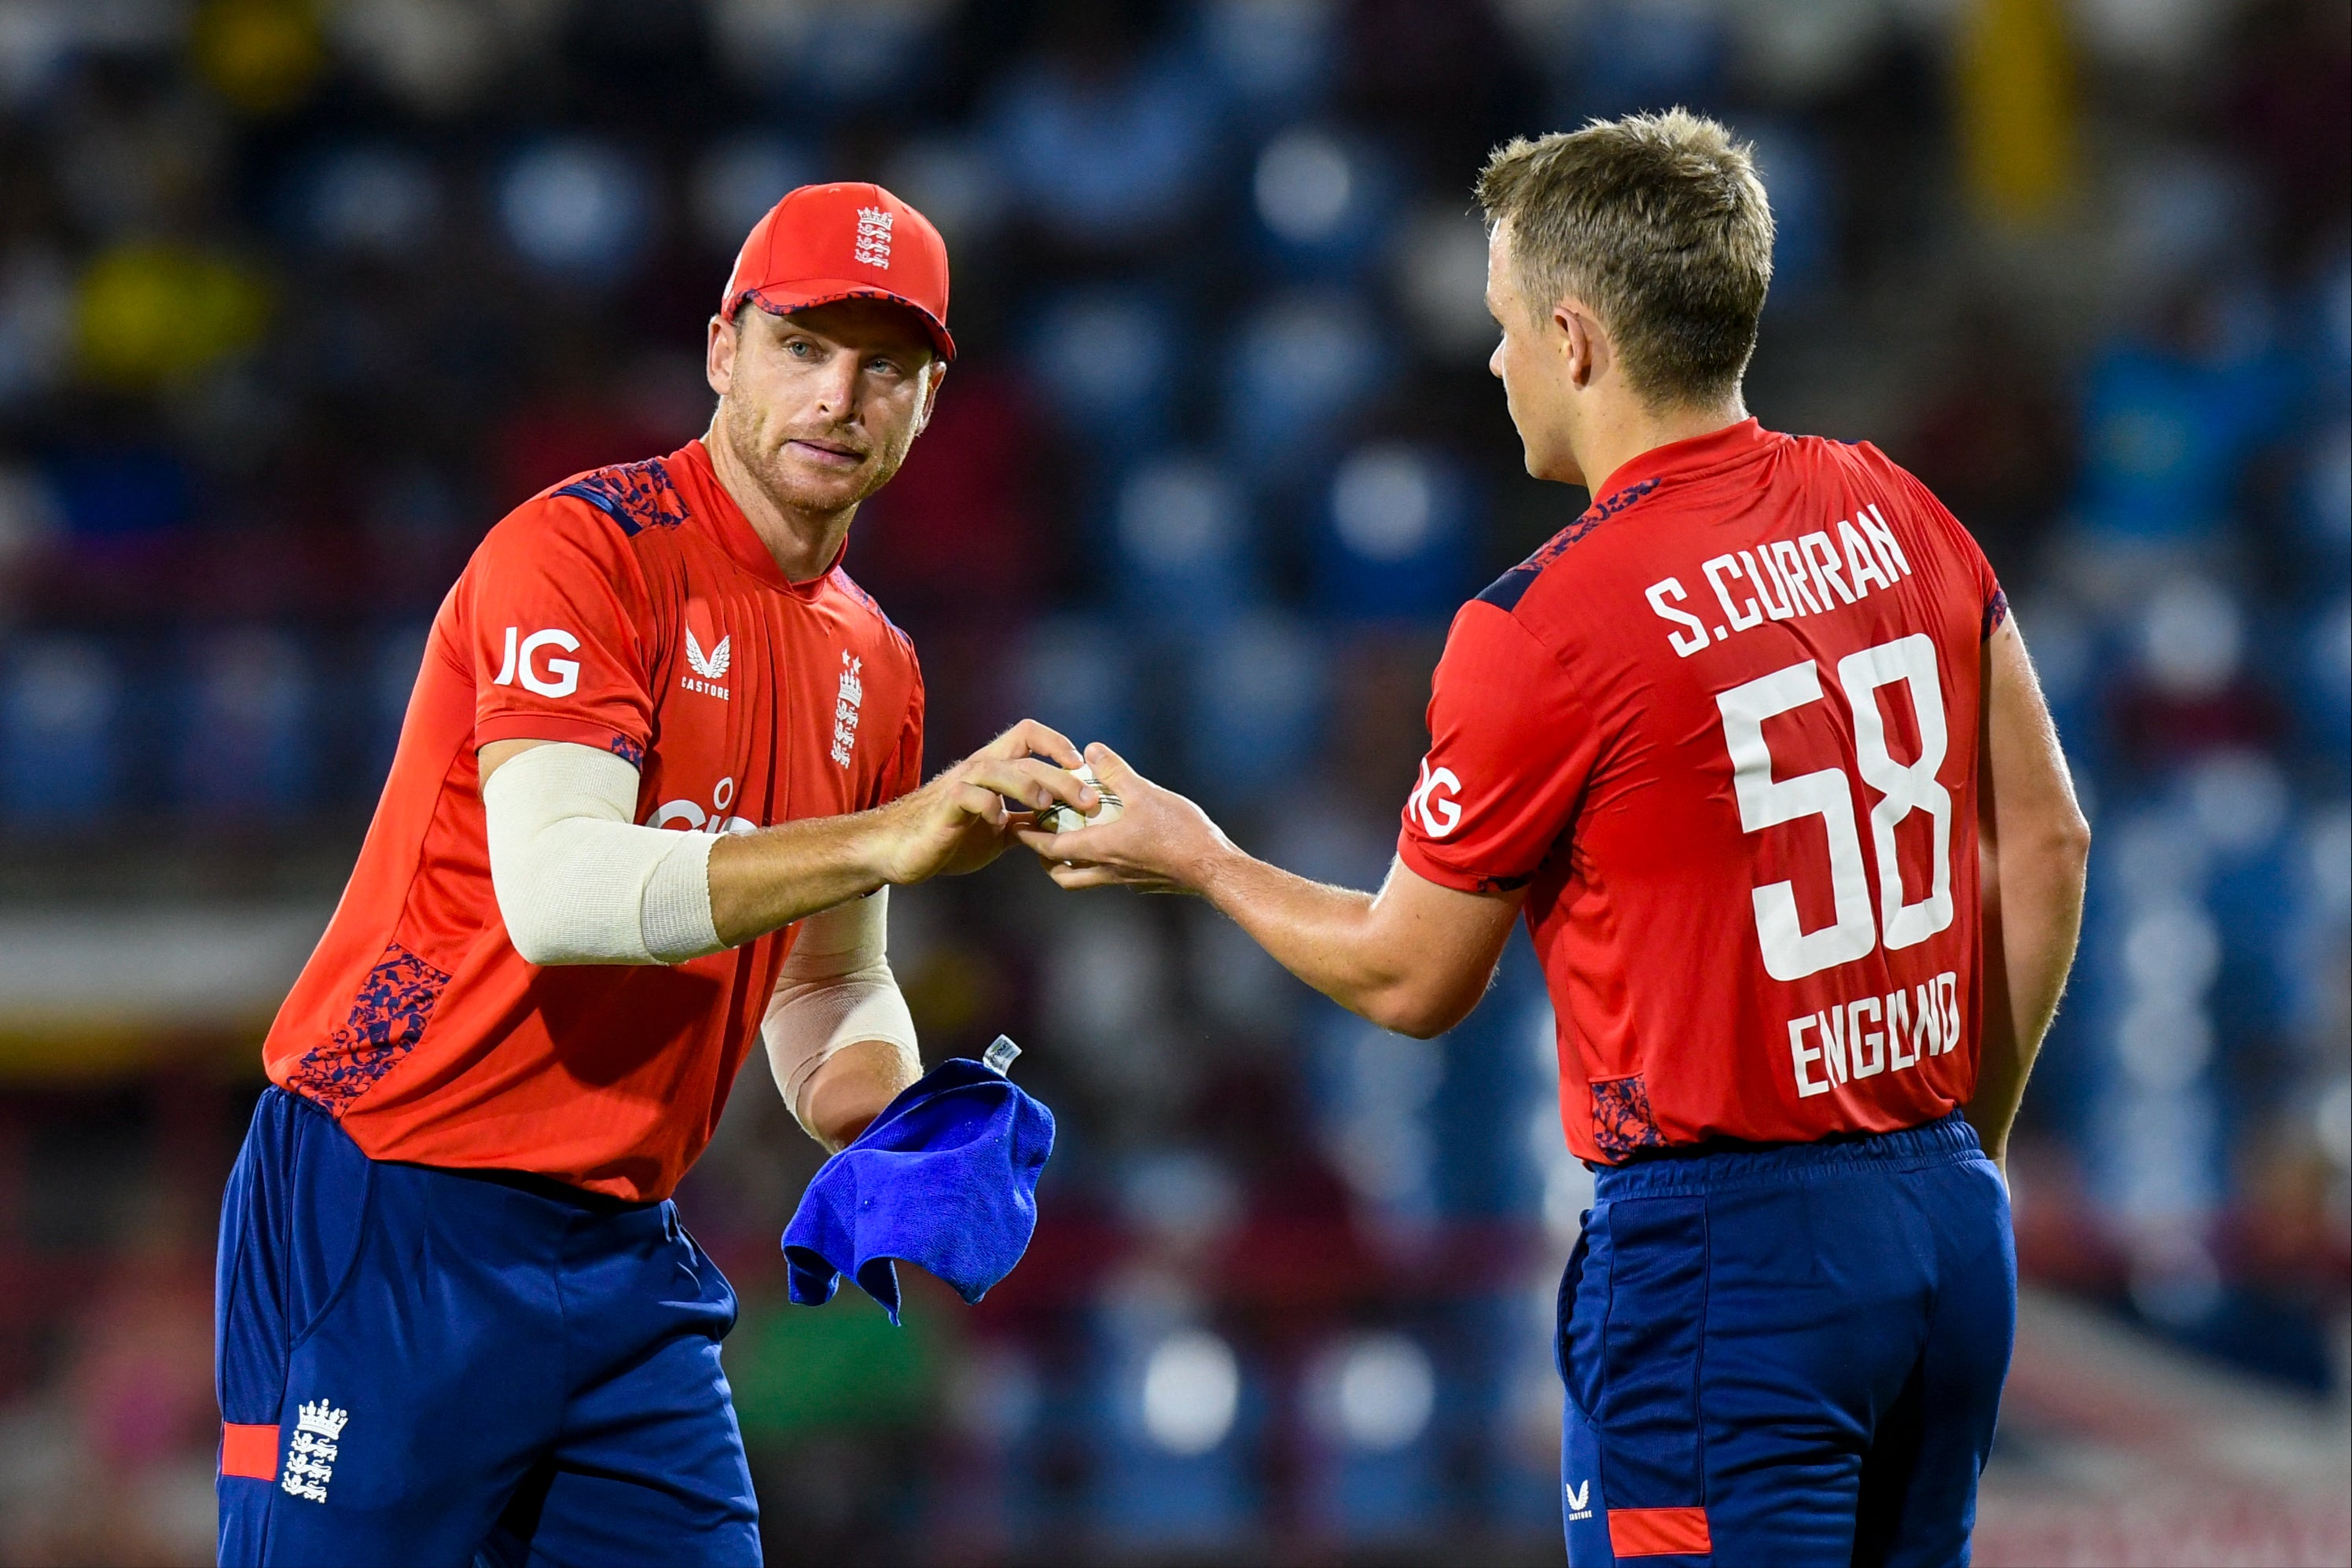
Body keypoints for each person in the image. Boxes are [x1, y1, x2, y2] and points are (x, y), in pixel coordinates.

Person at [1023, 111, 2090, 1567]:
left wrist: (1197, 855)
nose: (1493, 361)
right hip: (1941, 1226)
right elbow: (2049, 845)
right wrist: (1967, 1145)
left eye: (1504, 323)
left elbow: (1413, 980)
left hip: (1726, 1261)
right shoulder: (1898, 509)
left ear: (1577, 338)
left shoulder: (1549, 621)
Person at [213, 182, 1097, 1566]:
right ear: (720, 351)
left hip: (621, 1247)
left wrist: (897, 1118)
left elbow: (828, 982)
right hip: (392, 1198)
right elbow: (561, 900)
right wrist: (889, 834)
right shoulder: (575, 554)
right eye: (803, 346)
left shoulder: (879, 664)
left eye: (885, 366)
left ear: (931, 402)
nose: (839, 395)